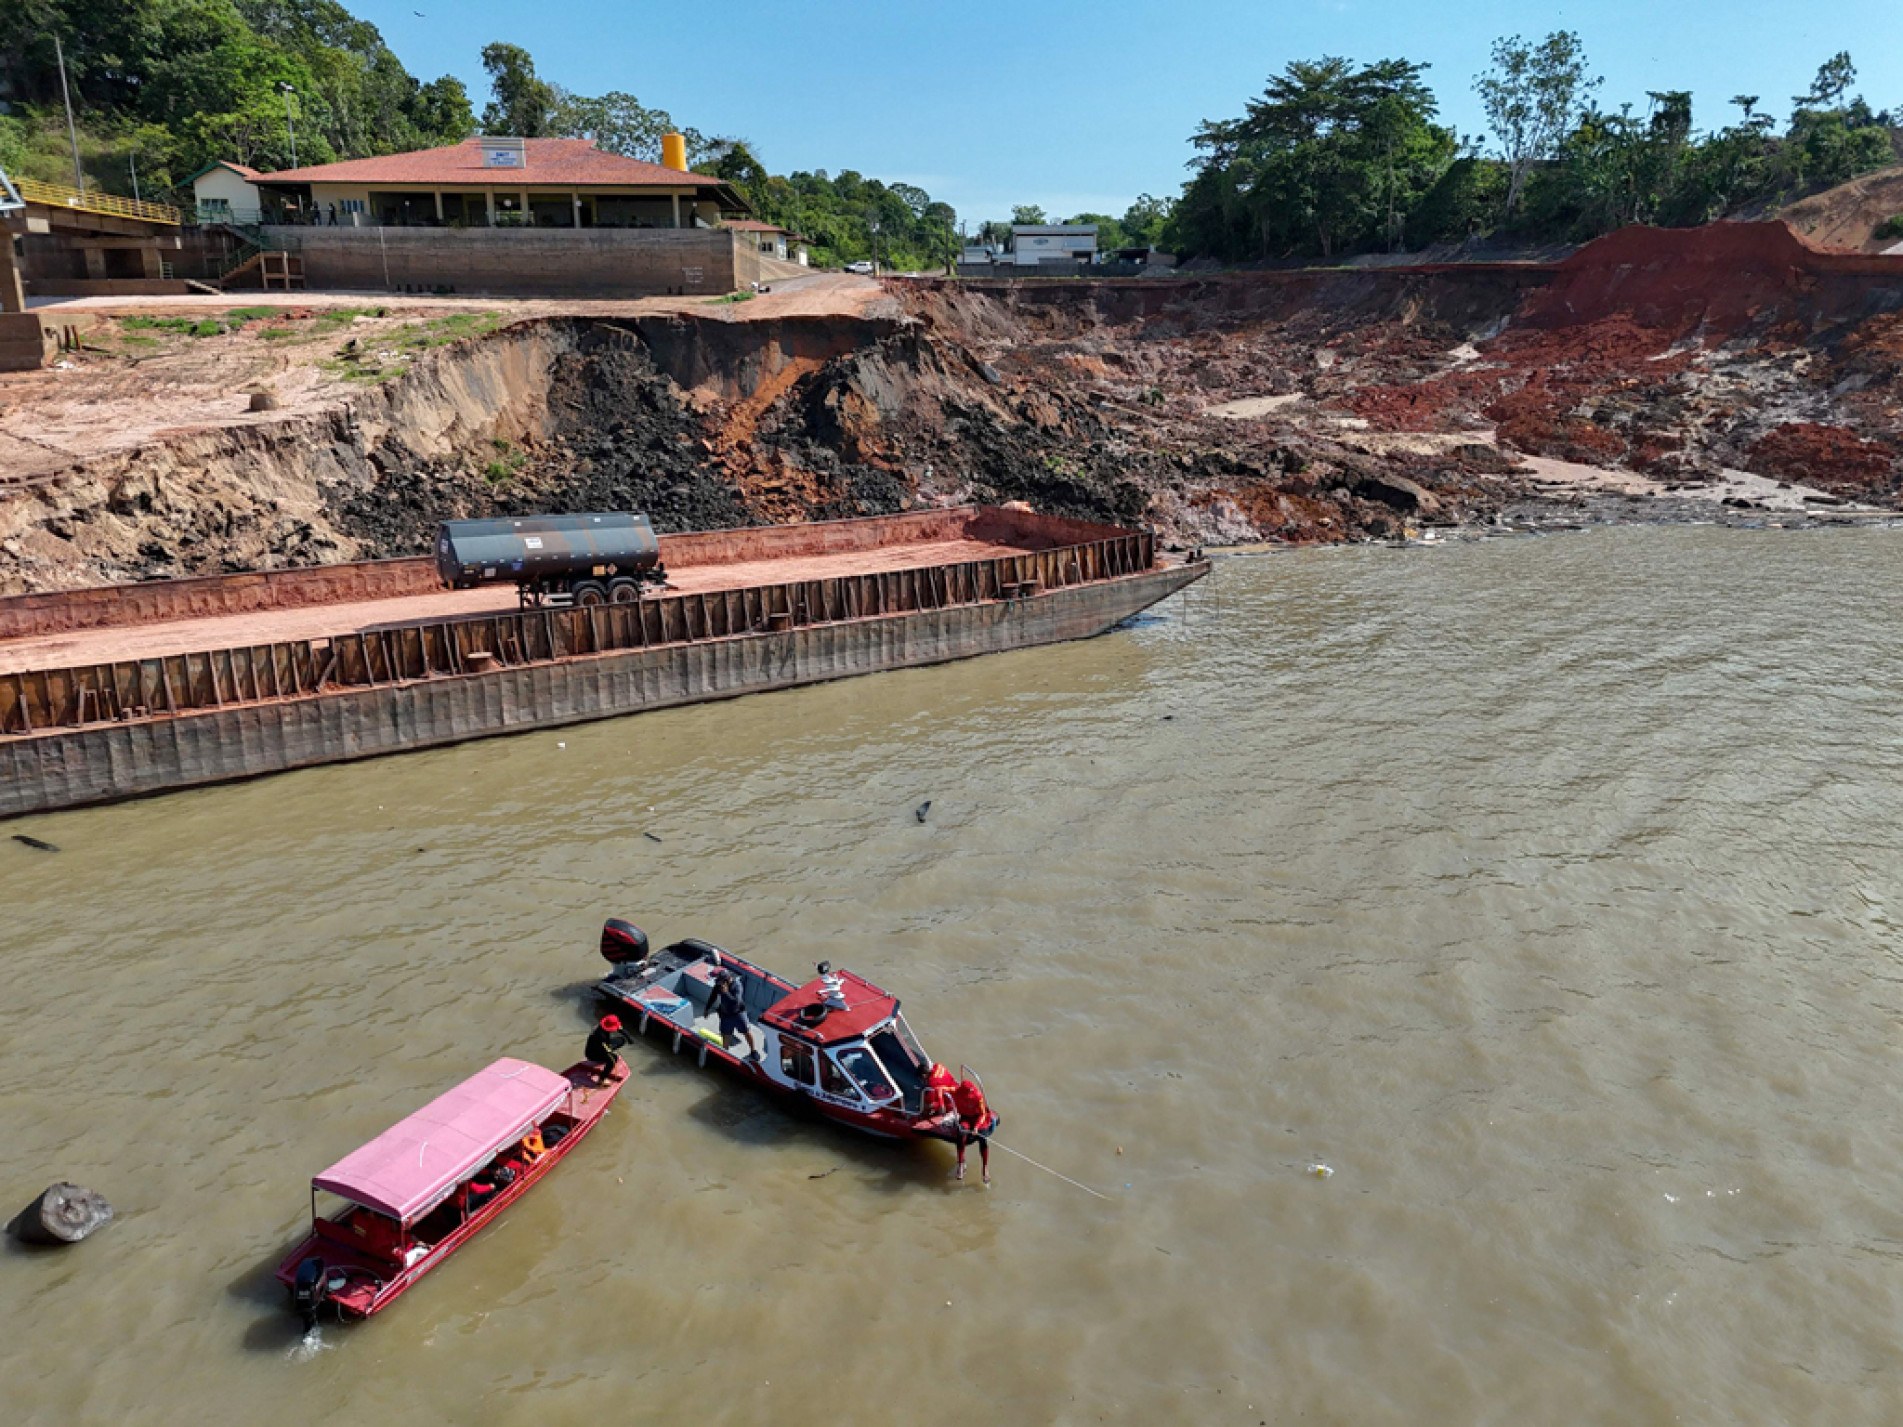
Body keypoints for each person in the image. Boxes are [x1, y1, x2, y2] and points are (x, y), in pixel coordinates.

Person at [709, 967, 761, 1063]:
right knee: (726, 1035)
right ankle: (725, 1053)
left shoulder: (737, 986)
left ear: (726, 980)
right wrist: (707, 1008)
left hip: (738, 1014)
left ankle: (753, 1051)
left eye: (719, 981)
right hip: (726, 1015)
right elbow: (713, 995)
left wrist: (726, 993)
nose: (718, 983)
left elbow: (736, 1002)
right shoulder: (719, 985)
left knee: (746, 1032)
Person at [953, 1075, 993, 1185]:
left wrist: (976, 1127)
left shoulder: (978, 1096)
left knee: (983, 1138)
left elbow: (983, 1114)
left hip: (978, 1118)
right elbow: (947, 1092)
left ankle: (985, 1167)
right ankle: (961, 1163)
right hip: (965, 1117)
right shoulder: (957, 1093)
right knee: (961, 1134)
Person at [585, 1014, 624, 1082]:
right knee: (613, 1059)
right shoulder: (601, 1036)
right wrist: (610, 1052)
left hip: (597, 1046)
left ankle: (604, 1058)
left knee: (621, 1040)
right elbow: (606, 1050)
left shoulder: (600, 1027)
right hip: (592, 1053)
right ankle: (601, 1079)